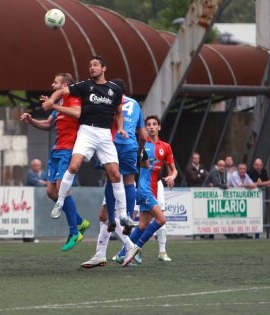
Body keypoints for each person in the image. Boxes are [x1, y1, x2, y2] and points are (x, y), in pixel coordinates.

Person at [41, 55, 131, 250]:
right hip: (87, 131)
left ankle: (123, 214)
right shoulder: (85, 85)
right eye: (89, 65)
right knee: (74, 166)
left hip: (104, 134)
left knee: (115, 174)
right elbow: (62, 91)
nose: (91, 67)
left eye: (95, 65)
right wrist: (51, 102)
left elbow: (119, 112)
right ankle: (60, 203)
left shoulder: (114, 89)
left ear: (104, 68)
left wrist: (121, 127)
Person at [21, 73, 90, 251]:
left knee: (62, 189)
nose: (52, 85)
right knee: (51, 192)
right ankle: (80, 222)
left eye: (56, 82)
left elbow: (77, 113)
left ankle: (74, 232)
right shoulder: (58, 104)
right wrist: (31, 120)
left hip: (70, 151)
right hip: (57, 150)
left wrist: (54, 105)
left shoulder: (74, 99)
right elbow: (47, 124)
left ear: (65, 85)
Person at [81, 79, 146, 268]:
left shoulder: (107, 99)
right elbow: (142, 134)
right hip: (131, 145)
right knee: (128, 180)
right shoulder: (134, 104)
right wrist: (141, 150)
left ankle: (125, 242)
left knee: (105, 211)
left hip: (112, 145)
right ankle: (107, 249)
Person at [123, 115, 177, 267]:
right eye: (148, 125)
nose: (151, 127)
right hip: (143, 188)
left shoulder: (165, 147)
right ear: (145, 128)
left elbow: (173, 170)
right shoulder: (140, 146)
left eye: (154, 124)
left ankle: (122, 254)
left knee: (143, 225)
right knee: (160, 219)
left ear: (159, 127)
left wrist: (172, 176)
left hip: (156, 187)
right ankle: (136, 248)